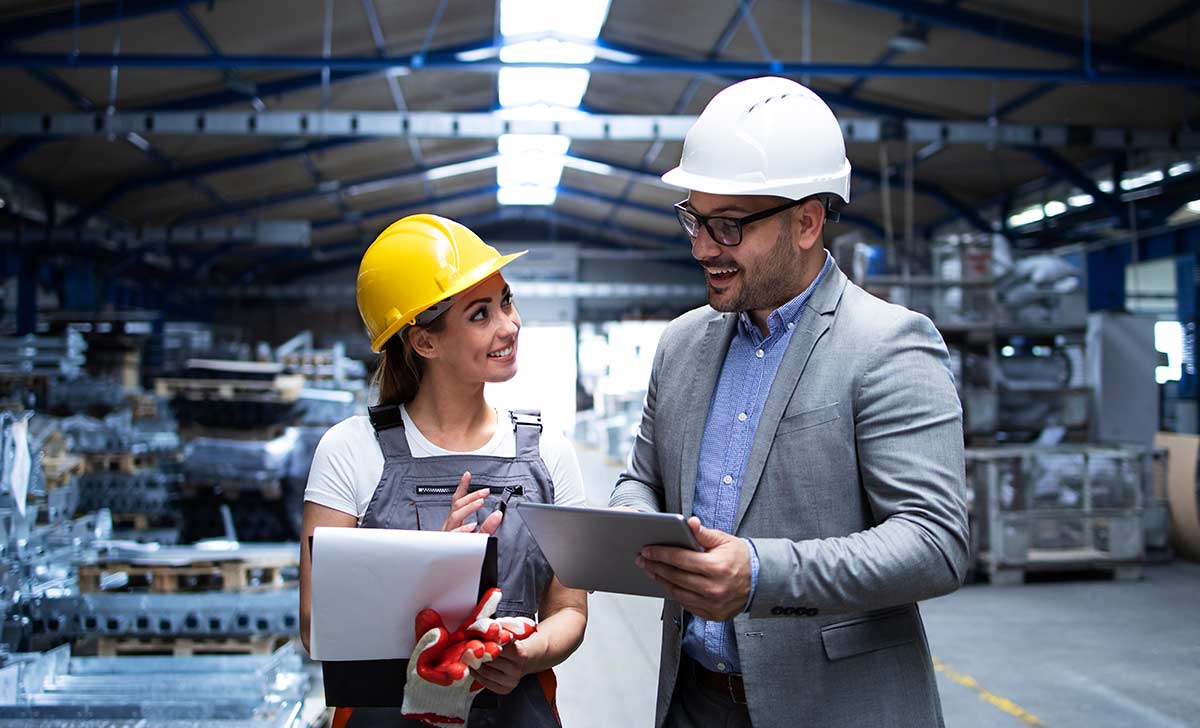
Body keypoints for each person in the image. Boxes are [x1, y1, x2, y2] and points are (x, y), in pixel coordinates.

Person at [609, 76, 970, 728]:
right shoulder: (683, 345)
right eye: (694, 219)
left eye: (727, 226)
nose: (701, 248)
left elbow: (934, 541)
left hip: (831, 708)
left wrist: (760, 575)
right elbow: (643, 479)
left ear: (805, 222)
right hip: (692, 700)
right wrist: (631, 527)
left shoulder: (886, 345)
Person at [299, 214, 588, 727]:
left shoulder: (548, 453)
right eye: (480, 315)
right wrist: (434, 573)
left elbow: (570, 611)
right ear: (424, 342)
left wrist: (529, 652)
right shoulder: (350, 451)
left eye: (506, 301)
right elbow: (315, 625)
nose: (509, 325)